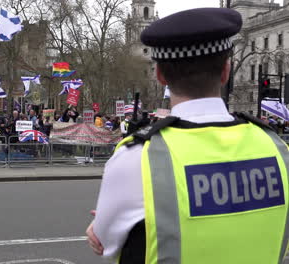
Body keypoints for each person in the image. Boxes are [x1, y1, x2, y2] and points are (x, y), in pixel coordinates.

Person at [87, 8, 289, 264]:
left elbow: (106, 244)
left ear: (160, 75)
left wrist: (99, 229)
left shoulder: (136, 158)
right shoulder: (278, 150)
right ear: (226, 71)